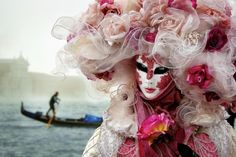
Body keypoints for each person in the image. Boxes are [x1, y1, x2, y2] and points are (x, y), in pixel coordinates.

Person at [52, 0, 236, 156]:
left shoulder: (212, 130)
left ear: (178, 73)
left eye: (160, 71)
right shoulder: (114, 133)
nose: (148, 78)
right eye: (141, 67)